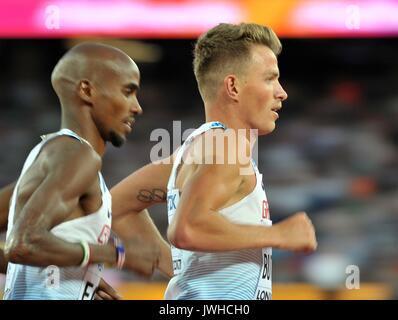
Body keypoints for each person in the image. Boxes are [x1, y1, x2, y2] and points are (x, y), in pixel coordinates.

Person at [110, 22, 317, 300]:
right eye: (270, 78)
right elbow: (187, 229)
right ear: (232, 86)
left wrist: (176, 268)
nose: (282, 92)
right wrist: (279, 234)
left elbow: (114, 207)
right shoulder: (225, 146)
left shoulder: (189, 154)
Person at [1, 42, 167, 300]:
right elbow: (23, 244)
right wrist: (118, 254)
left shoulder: (51, 156)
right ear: (87, 91)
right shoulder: (78, 156)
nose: (137, 107)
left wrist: (78, 272)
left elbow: (22, 248)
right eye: (128, 91)